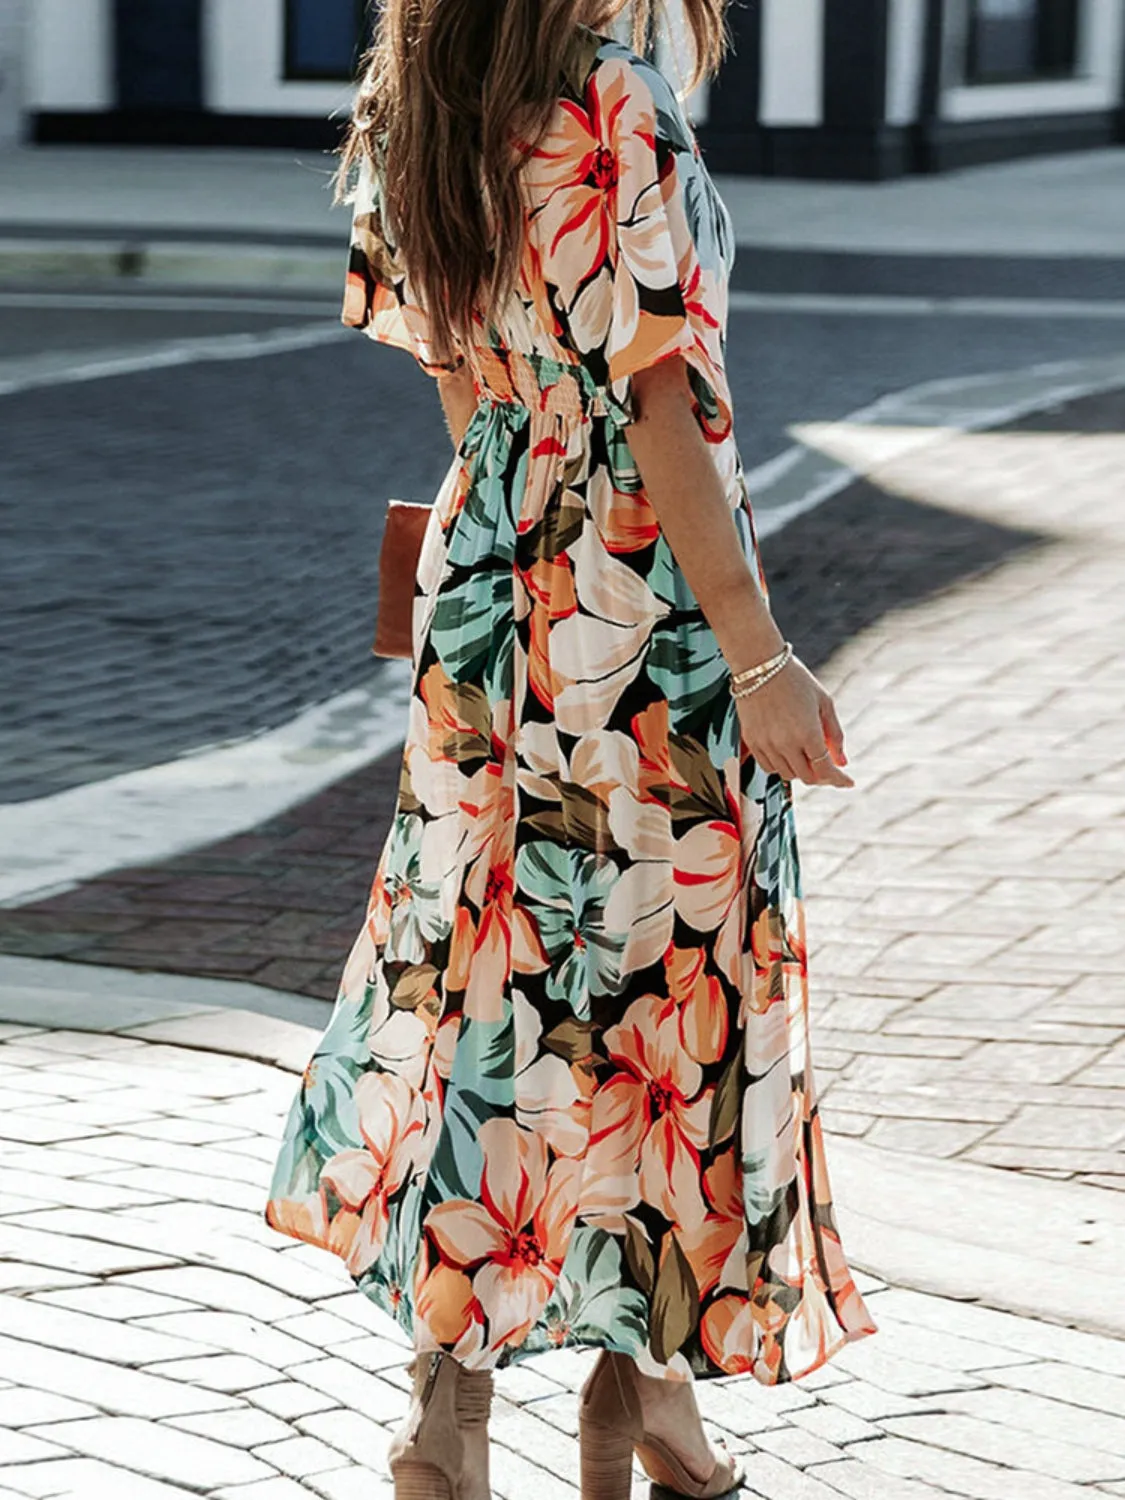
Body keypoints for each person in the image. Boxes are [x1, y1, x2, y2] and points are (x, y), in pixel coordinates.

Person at [266, 2, 876, 1496]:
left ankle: (447, 1415)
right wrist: (763, 656)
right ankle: (641, 1391)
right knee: (673, 986)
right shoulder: (616, 103)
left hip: (489, 589)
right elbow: (660, 404)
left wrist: (515, 517)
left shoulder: (415, 99)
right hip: (645, 609)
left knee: (487, 974)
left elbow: (460, 389)